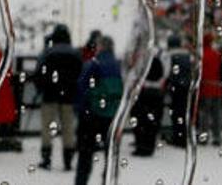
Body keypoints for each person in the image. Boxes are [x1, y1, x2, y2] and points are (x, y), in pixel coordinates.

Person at [75, 34, 123, 185]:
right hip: (112, 117)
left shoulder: (93, 64)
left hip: (91, 115)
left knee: (85, 155)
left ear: (100, 47)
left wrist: (80, 111)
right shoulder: (119, 66)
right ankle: (108, 181)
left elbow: (82, 88)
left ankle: (81, 182)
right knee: (111, 155)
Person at [34, 24, 82, 170]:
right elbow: (80, 75)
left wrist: (40, 89)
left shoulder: (47, 53)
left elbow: (39, 72)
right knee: (68, 129)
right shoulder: (75, 54)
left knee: (47, 129)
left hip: (49, 96)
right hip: (68, 97)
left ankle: (46, 159)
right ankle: (68, 160)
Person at [131, 55, 164, 156]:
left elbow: (135, 75)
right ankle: (149, 146)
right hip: (157, 93)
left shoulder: (143, 61)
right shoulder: (157, 61)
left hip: (143, 92)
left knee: (140, 119)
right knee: (153, 121)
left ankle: (141, 146)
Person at [165, 35, 192, 147]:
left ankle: (178, 137)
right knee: (185, 112)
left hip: (176, 87)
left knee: (176, 113)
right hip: (187, 87)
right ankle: (185, 137)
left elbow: (167, 72)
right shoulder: (187, 55)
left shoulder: (169, 55)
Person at [199, 34, 222, 146]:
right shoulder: (216, 54)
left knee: (205, 114)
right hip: (216, 88)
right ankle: (217, 136)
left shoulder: (202, 54)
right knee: (216, 115)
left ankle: (204, 136)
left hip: (206, 88)